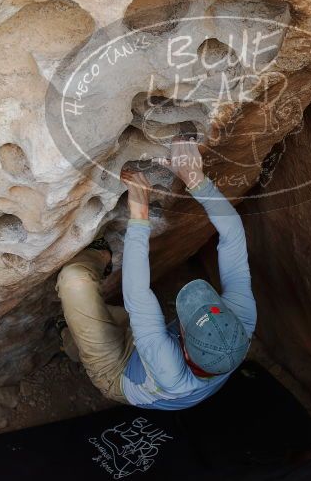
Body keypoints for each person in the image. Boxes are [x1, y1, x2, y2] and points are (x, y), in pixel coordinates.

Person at [56, 140, 256, 409]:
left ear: (184, 348)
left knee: (74, 281)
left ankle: (96, 265)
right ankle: (70, 337)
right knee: (101, 325)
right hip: (150, 346)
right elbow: (233, 236)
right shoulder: (242, 321)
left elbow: (136, 295)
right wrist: (196, 179)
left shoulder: (168, 367)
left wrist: (139, 214)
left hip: (120, 374)